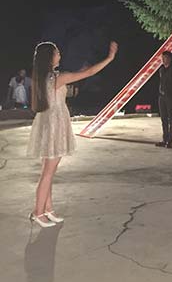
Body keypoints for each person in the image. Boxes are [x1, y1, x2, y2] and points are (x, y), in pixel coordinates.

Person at [27, 41, 118, 228]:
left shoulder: (44, 77)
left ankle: (47, 209)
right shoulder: (57, 78)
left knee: (47, 171)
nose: (59, 55)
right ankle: (38, 212)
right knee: (48, 173)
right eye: (57, 53)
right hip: (54, 124)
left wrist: (79, 73)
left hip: (48, 123)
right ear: (50, 57)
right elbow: (90, 73)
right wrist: (109, 58)